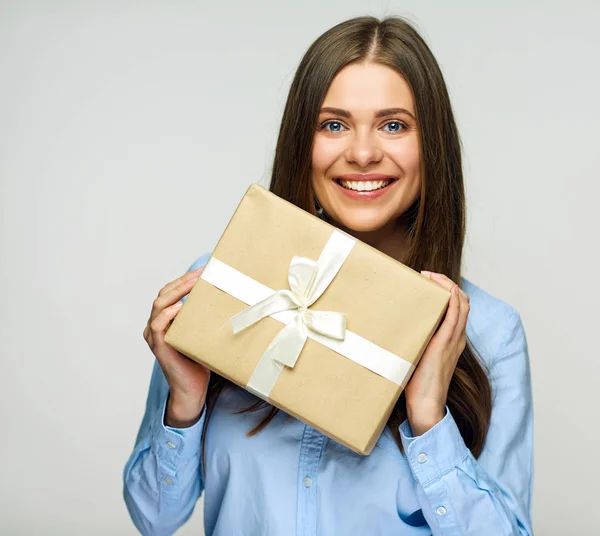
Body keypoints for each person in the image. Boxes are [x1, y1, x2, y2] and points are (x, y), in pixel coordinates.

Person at [123, 15, 534, 536]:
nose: (362, 153)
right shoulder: (224, 287)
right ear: (303, 142)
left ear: (432, 145)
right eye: (333, 124)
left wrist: (429, 417)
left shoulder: (489, 332)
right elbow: (152, 518)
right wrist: (183, 404)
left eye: (394, 124)